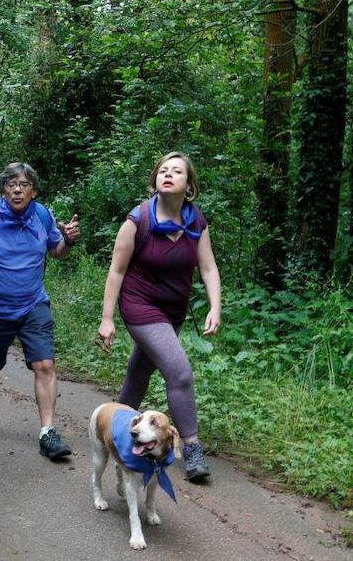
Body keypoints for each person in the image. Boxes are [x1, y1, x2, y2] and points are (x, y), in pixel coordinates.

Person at [97, 151, 221, 483]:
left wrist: (215, 306)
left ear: (189, 185)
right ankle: (192, 447)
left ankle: (116, 429)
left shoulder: (196, 220)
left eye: (176, 171)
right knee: (179, 372)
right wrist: (107, 318)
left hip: (173, 310)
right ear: (155, 181)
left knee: (139, 373)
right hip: (139, 306)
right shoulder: (138, 219)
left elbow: (208, 267)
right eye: (163, 170)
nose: (168, 174)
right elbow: (116, 271)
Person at [0, 162, 80, 460]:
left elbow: (57, 252)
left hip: (33, 304)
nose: (17, 190)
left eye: (24, 185)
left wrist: (67, 240)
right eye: (11, 185)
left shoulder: (43, 216)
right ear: (3, 189)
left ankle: (47, 432)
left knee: (45, 364)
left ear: (34, 191)